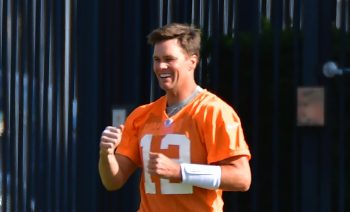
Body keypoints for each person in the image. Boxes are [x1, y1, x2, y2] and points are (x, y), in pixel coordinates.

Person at [99, 23, 251, 212]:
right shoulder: (142, 115)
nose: (161, 66)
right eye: (157, 59)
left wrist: (179, 171)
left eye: (169, 59)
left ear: (192, 61)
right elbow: (113, 181)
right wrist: (106, 155)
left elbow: (242, 178)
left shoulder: (214, 111)